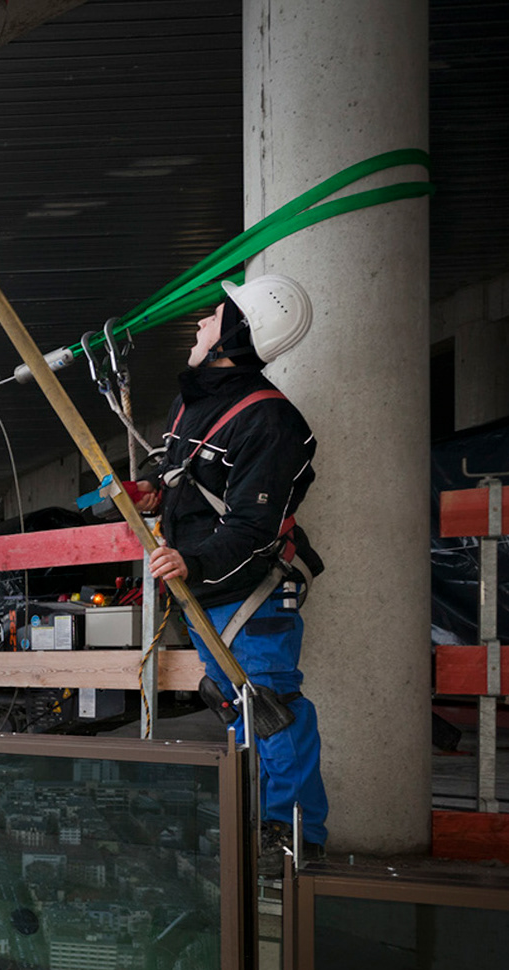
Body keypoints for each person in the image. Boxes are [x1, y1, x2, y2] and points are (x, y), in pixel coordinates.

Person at [147, 274, 328, 868]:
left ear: (234, 337)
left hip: (247, 592)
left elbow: (252, 526)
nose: (200, 324)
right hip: (203, 590)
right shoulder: (194, 402)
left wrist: (191, 559)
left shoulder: (271, 423)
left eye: (213, 317)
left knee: (271, 708)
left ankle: (295, 834)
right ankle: (259, 821)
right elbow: (191, 483)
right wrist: (152, 495)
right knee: (234, 705)